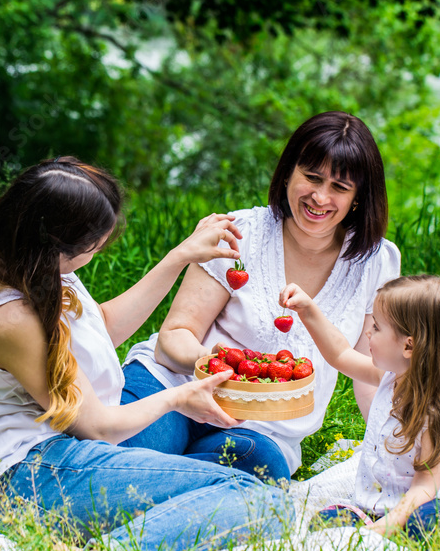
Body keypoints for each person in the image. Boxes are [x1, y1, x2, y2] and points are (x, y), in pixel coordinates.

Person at [0, 156, 292, 551]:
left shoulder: (19, 256)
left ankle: (169, 500)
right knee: (264, 503)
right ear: (55, 247)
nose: (97, 253)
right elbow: (96, 425)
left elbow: (101, 329)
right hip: (39, 476)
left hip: (77, 448)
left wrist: (178, 257)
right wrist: (179, 398)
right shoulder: (10, 318)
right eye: (93, 247)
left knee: (258, 460)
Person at [120, 111, 401, 482]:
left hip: (264, 429)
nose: (320, 197)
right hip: (174, 388)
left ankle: (158, 494)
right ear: (288, 173)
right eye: (312, 177)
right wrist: (225, 371)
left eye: (339, 187)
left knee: (249, 478)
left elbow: (369, 371)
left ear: (358, 198)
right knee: (123, 453)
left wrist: (391, 444)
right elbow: (172, 340)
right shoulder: (238, 233)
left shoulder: (377, 261)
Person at [279, 275, 440, 539]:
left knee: (432, 524)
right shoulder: (390, 379)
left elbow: (425, 487)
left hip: (425, 506)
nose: (367, 332)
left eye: (376, 327)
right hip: (378, 508)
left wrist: (387, 526)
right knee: (327, 521)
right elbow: (340, 354)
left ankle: (409, 541)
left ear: (409, 345)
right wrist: (308, 310)